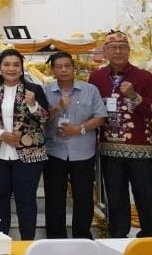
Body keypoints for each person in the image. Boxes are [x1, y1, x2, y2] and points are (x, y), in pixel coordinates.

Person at [89, 31, 152, 238]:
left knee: (146, 195)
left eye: (122, 47)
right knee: (116, 196)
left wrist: (134, 96)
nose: (118, 51)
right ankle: (119, 237)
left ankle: (149, 237)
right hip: (109, 148)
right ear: (105, 52)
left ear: (129, 50)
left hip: (140, 148)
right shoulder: (96, 77)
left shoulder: (143, 76)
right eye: (113, 47)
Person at [0, 49, 50, 240]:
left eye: (16, 65)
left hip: (29, 155)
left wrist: (33, 105)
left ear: (22, 69)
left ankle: (27, 243)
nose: (11, 68)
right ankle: (0, 240)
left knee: (26, 200)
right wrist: (0, 134)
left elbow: (45, 119)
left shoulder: (34, 90)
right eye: (6, 64)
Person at [42, 52, 107, 239]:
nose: (63, 70)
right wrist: (58, 107)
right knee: (55, 198)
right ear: (53, 70)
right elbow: (41, 119)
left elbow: (100, 117)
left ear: (74, 68)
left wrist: (78, 129)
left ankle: (82, 236)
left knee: (83, 198)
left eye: (67, 66)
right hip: (55, 152)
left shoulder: (90, 90)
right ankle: (56, 238)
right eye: (59, 67)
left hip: (83, 151)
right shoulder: (46, 91)